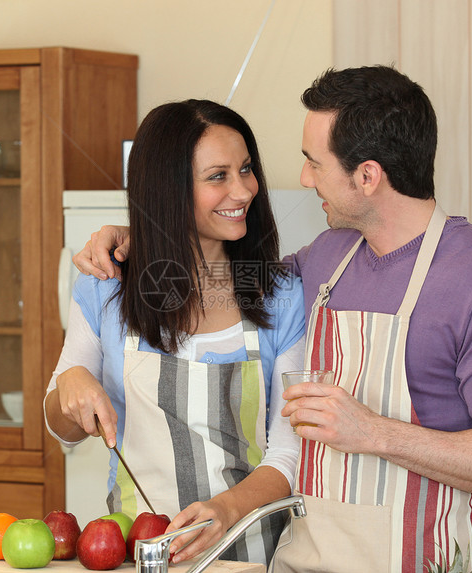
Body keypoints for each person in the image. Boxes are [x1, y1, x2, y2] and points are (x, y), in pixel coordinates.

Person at [73, 66, 472, 573]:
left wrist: (376, 433)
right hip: (310, 559)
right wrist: (134, 240)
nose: (304, 178)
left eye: (314, 163)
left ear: (367, 176)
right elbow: (220, 280)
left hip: (425, 560)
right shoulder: (329, 257)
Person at [44, 99, 305, 566]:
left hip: (250, 555)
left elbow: (291, 450)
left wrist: (225, 510)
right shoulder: (105, 287)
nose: (244, 190)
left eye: (246, 169)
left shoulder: (281, 295)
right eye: (217, 176)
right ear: (168, 189)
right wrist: (69, 383)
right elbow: (62, 430)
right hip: (135, 554)